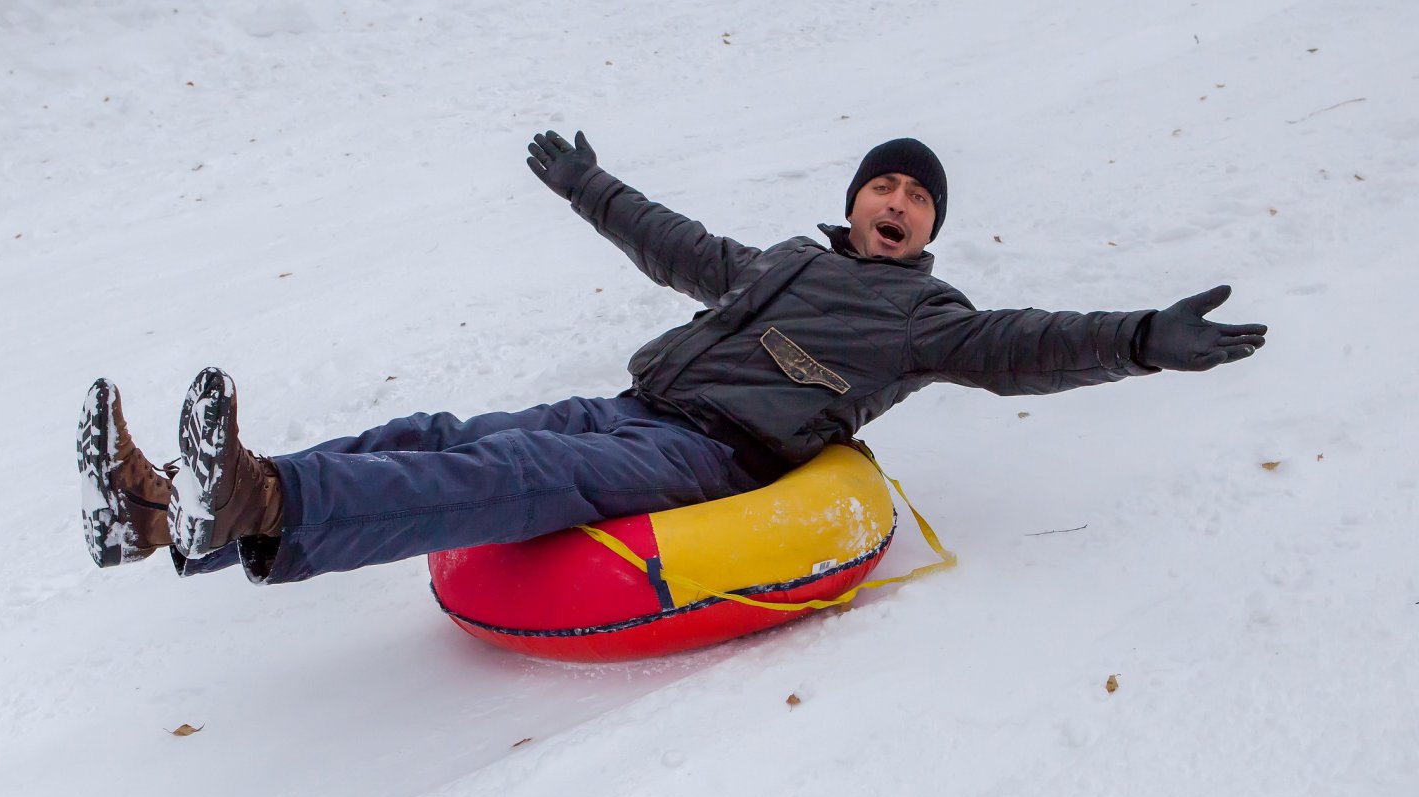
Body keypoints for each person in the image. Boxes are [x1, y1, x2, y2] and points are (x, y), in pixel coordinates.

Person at [77, 131, 1267, 583]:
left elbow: (1024, 346)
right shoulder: (778, 264)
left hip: (708, 455)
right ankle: (161, 509)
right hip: (630, 406)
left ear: (928, 229)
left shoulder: (927, 315)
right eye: (885, 185)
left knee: (507, 475)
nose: (898, 201)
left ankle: (258, 498)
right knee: (434, 434)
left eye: (917, 196)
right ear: (854, 199)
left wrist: (1135, 342)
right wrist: (588, 185)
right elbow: (672, 244)